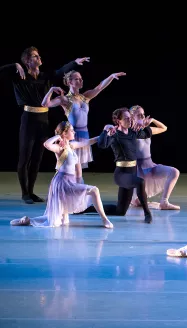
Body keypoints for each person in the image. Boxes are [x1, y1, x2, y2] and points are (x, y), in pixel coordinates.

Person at [0, 46, 89, 204]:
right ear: (27, 60)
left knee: (37, 158)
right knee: (24, 157)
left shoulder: (45, 76)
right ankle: (25, 193)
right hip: (28, 119)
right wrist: (15, 65)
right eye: (35, 56)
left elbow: (60, 71)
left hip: (43, 119)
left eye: (38, 55)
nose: (39, 57)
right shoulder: (20, 76)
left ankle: (32, 192)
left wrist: (74, 62)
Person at [10, 121, 113, 228]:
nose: (74, 132)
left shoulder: (71, 145)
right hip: (62, 183)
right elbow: (46, 144)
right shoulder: (59, 148)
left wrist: (106, 132)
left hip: (69, 182)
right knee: (94, 190)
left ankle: (28, 220)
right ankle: (105, 220)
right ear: (64, 133)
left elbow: (90, 141)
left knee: (63, 222)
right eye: (72, 130)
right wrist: (58, 136)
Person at [41, 70, 126, 183]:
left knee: (78, 167)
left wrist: (111, 76)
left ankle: (77, 192)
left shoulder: (85, 97)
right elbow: (45, 104)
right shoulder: (65, 99)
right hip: (72, 135)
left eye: (81, 78)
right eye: (77, 79)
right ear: (69, 82)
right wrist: (51, 89)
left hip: (84, 135)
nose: (81, 80)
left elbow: (99, 87)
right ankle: (66, 189)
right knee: (71, 167)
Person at [77, 108, 154, 223]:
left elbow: (147, 134)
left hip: (132, 172)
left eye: (130, 118)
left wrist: (145, 125)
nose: (130, 120)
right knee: (140, 182)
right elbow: (102, 144)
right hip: (121, 174)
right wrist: (105, 131)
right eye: (126, 118)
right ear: (118, 121)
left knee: (120, 211)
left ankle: (86, 209)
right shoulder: (115, 134)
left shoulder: (133, 132)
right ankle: (147, 213)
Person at [128, 105, 180, 210]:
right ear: (132, 117)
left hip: (150, 167)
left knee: (174, 172)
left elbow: (163, 128)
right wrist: (141, 126)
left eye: (143, 114)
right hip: (137, 171)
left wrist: (153, 120)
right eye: (139, 115)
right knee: (137, 202)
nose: (142, 116)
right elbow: (133, 136)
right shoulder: (129, 131)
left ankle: (164, 202)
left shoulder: (147, 130)